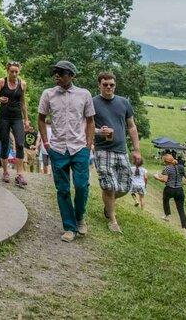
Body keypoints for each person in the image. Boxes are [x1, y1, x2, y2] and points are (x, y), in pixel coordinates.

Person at [37, 60, 95, 242]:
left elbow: (91, 121)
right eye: (55, 72)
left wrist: (88, 144)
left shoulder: (84, 94)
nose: (57, 76)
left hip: (79, 147)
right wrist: (46, 143)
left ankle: (79, 217)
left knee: (81, 185)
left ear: (71, 75)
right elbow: (40, 118)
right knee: (62, 189)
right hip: (57, 148)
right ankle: (69, 227)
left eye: (61, 73)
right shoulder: (48, 94)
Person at [91, 71, 141, 233]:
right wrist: (99, 132)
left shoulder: (124, 103)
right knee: (108, 186)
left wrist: (136, 150)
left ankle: (108, 204)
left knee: (125, 186)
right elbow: (86, 127)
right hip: (102, 150)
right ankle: (112, 220)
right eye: (105, 84)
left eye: (111, 85)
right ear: (99, 85)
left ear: (115, 85)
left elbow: (131, 126)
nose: (108, 87)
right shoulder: (92, 103)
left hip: (121, 150)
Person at [0, 61, 33, 187]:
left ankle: (19, 174)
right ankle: (5, 172)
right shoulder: (2, 82)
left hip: (17, 118)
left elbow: (23, 103)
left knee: (20, 143)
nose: (14, 74)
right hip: (3, 117)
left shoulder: (22, 84)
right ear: (7, 71)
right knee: (5, 145)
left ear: (19, 71)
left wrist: (26, 120)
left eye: (16, 71)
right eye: (12, 71)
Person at [155, 153, 186, 228]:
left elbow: (164, 180)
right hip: (179, 190)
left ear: (166, 161)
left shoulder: (167, 168)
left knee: (165, 200)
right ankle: (184, 226)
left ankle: (167, 215)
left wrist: (156, 177)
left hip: (169, 189)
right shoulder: (181, 167)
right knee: (180, 208)